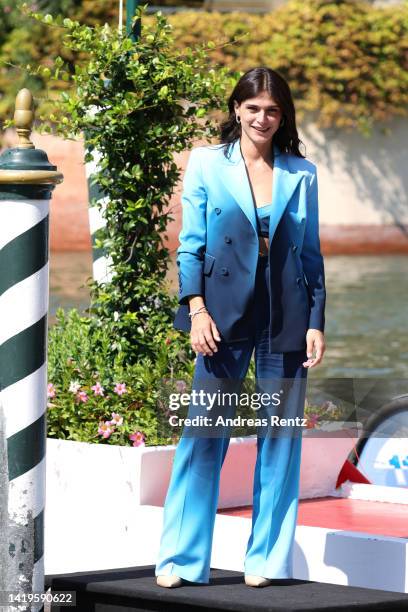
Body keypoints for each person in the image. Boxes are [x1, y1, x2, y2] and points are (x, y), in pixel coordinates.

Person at [155, 66, 326, 588]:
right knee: (205, 435)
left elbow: (312, 254)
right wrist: (197, 310)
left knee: (281, 438)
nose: (263, 118)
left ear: (283, 115)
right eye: (253, 108)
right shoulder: (207, 163)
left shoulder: (303, 171)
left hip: (287, 315)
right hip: (223, 314)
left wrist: (317, 321)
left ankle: (268, 562)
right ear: (237, 110)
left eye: (273, 110)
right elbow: (191, 244)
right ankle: (181, 561)